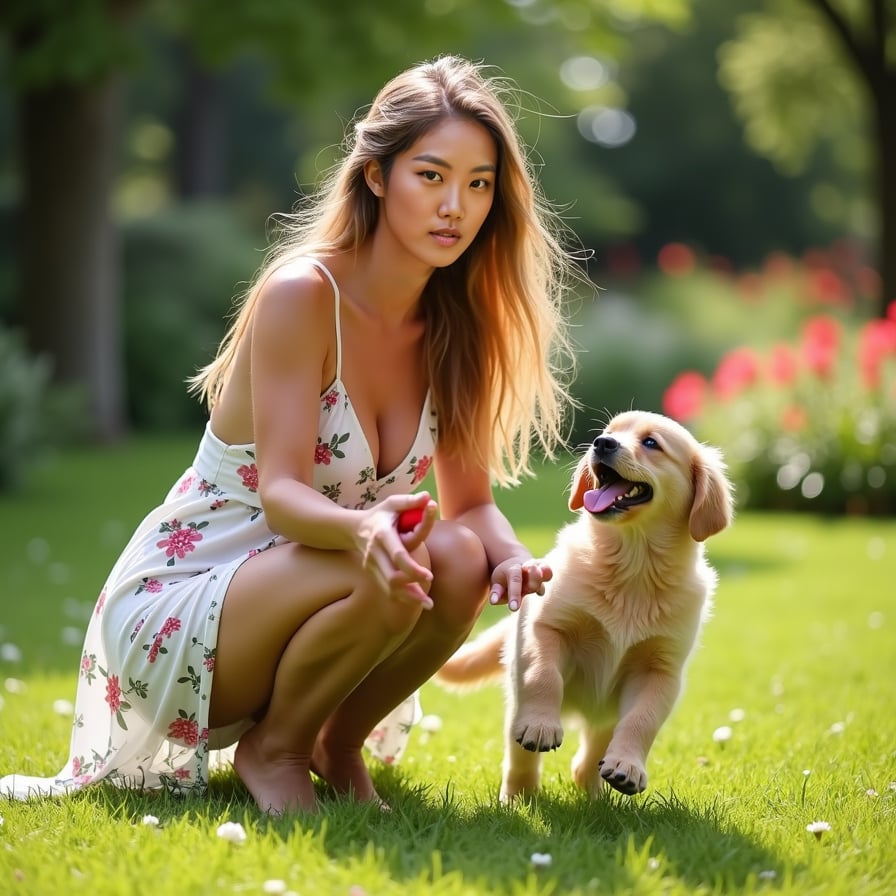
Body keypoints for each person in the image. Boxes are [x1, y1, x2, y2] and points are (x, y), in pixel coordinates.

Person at [0, 54, 580, 814]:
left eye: (478, 185)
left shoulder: (455, 324)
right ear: (377, 176)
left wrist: (511, 558)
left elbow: (469, 507)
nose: (456, 208)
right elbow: (280, 497)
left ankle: (332, 746)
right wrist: (368, 529)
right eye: (431, 176)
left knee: (460, 558)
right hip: (188, 606)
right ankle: (271, 753)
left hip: (323, 592)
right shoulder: (304, 295)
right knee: (399, 556)